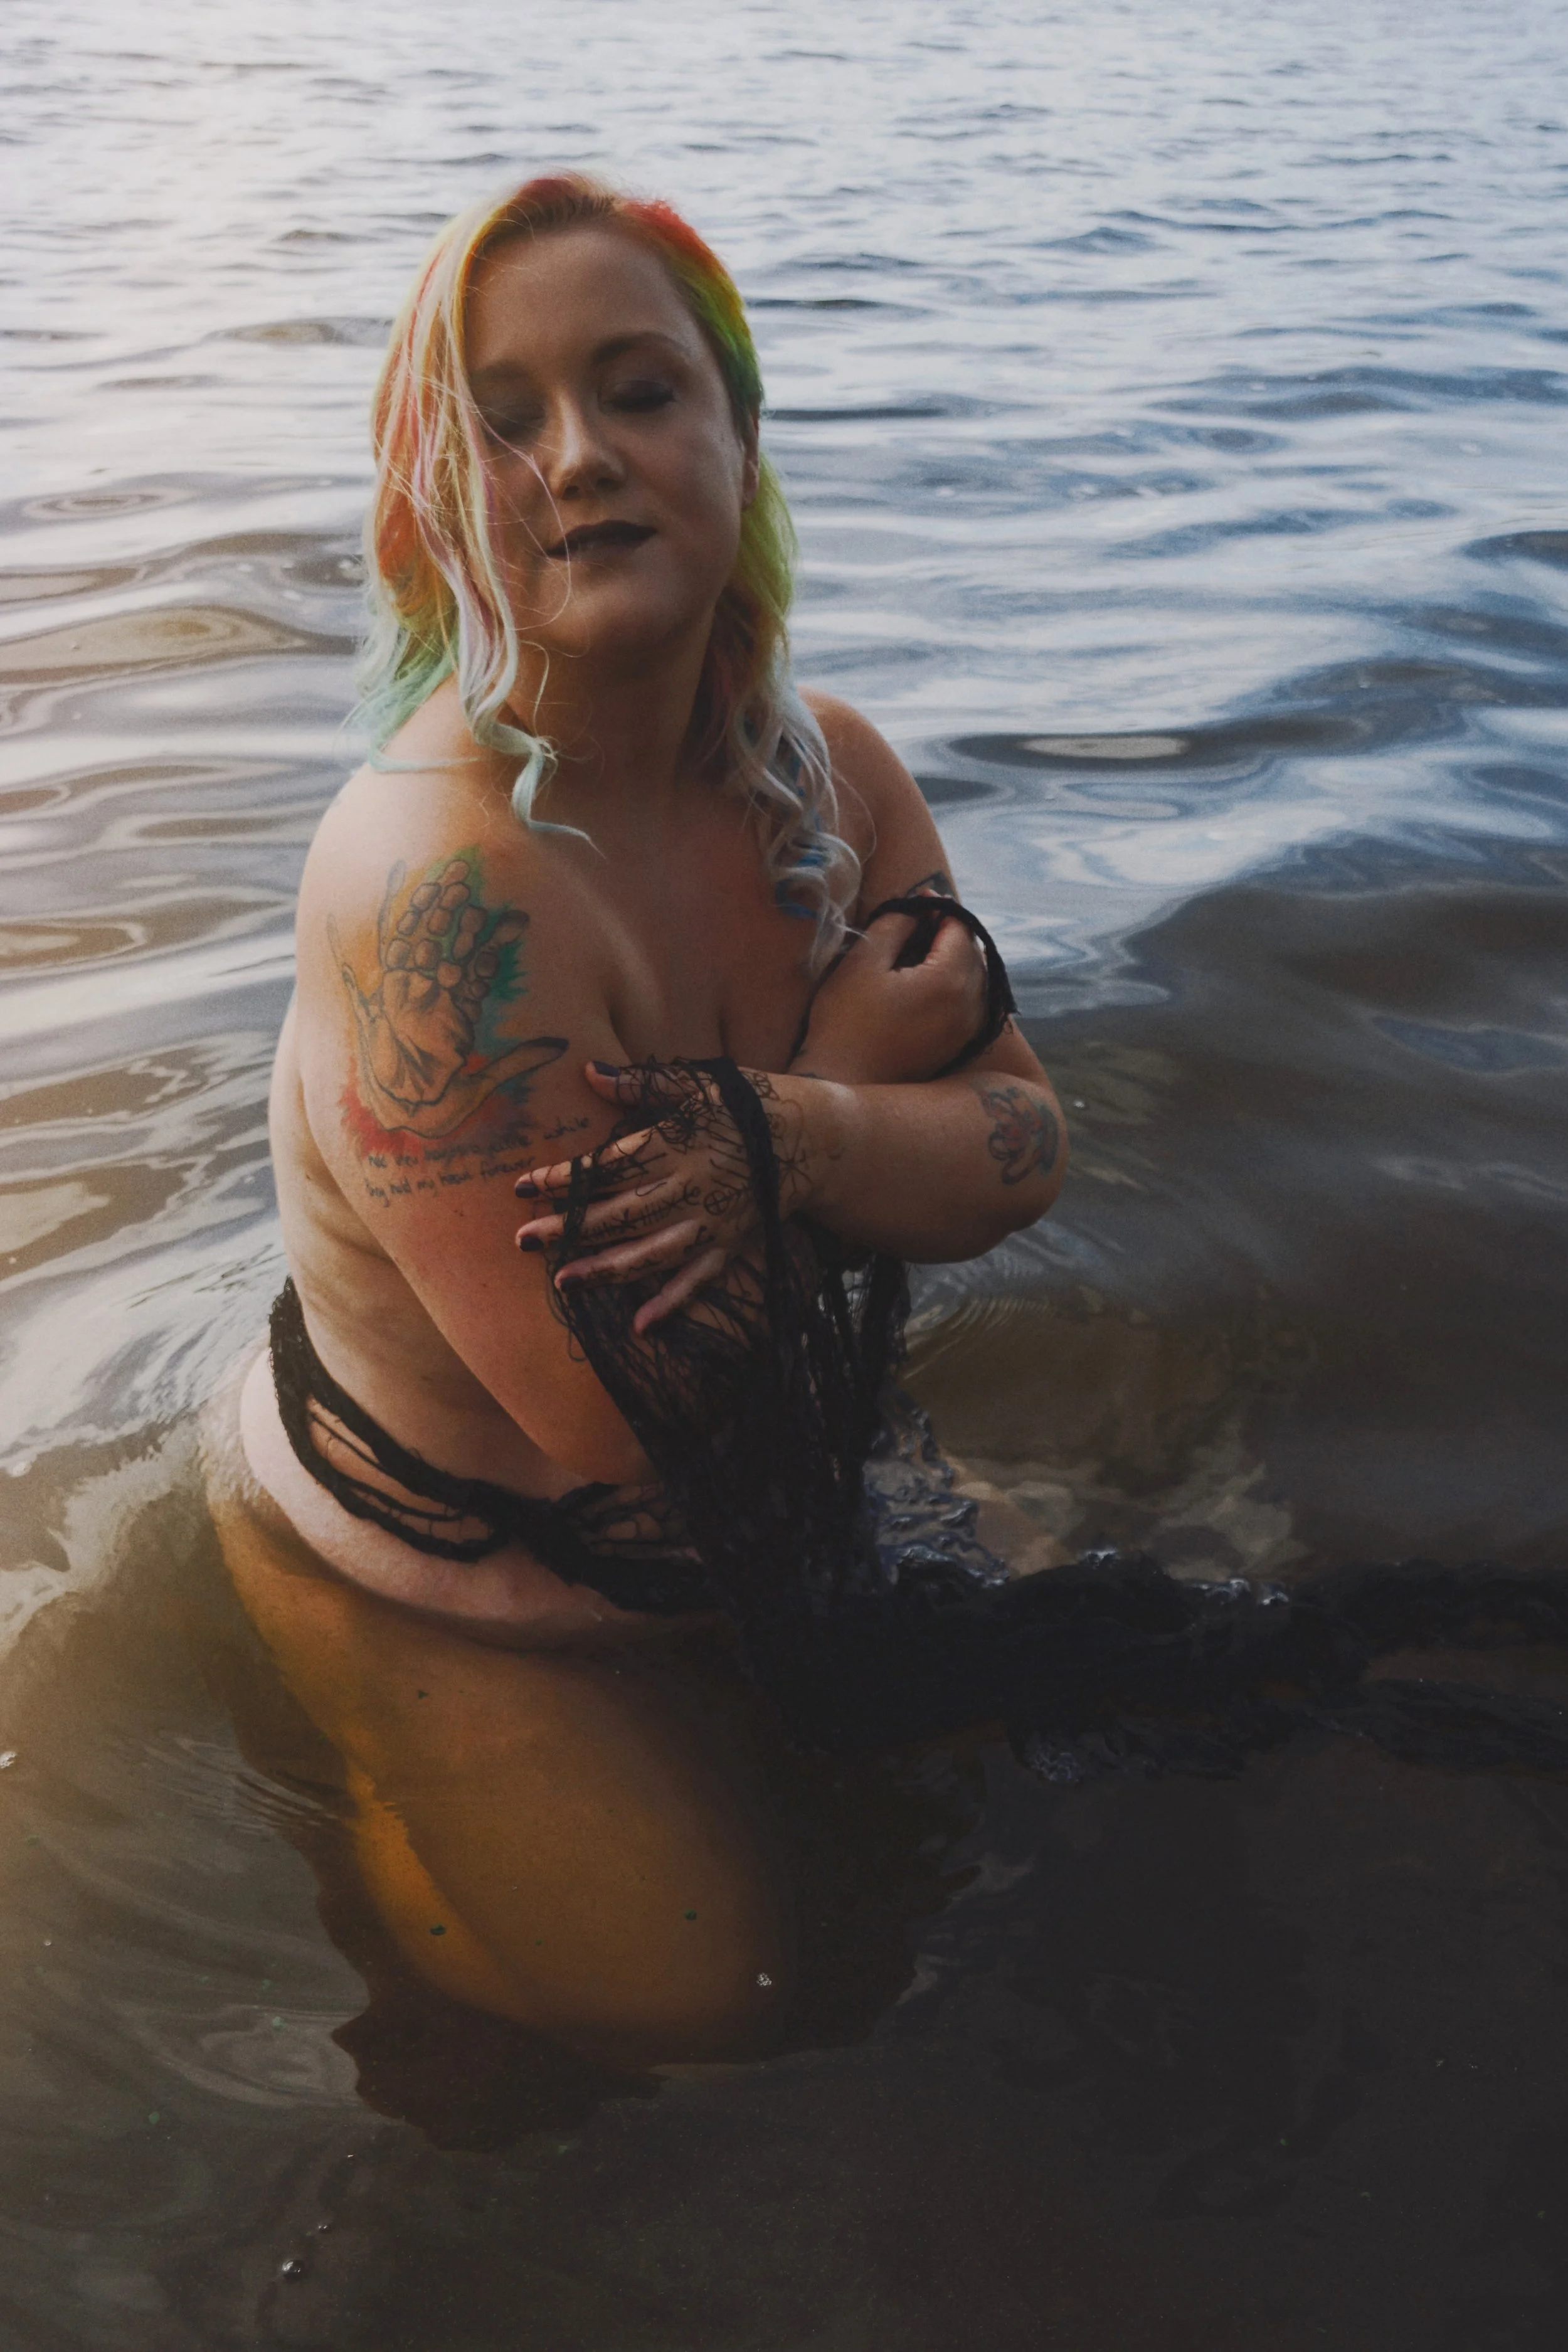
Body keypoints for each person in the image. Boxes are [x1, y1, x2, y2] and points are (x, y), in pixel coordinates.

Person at [201, 172, 1066, 2073]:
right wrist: (837, 1082)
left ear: (739, 434)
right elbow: (625, 1403)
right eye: (498, 421)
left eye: (638, 388)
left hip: (780, 1481)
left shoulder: (824, 779)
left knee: (1084, 1783)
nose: (577, 456)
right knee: (694, 2007)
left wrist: (786, 1132)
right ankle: (382, 1774)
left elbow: (1022, 1147)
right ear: (431, 511)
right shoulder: (439, 886)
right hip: (465, 1565)